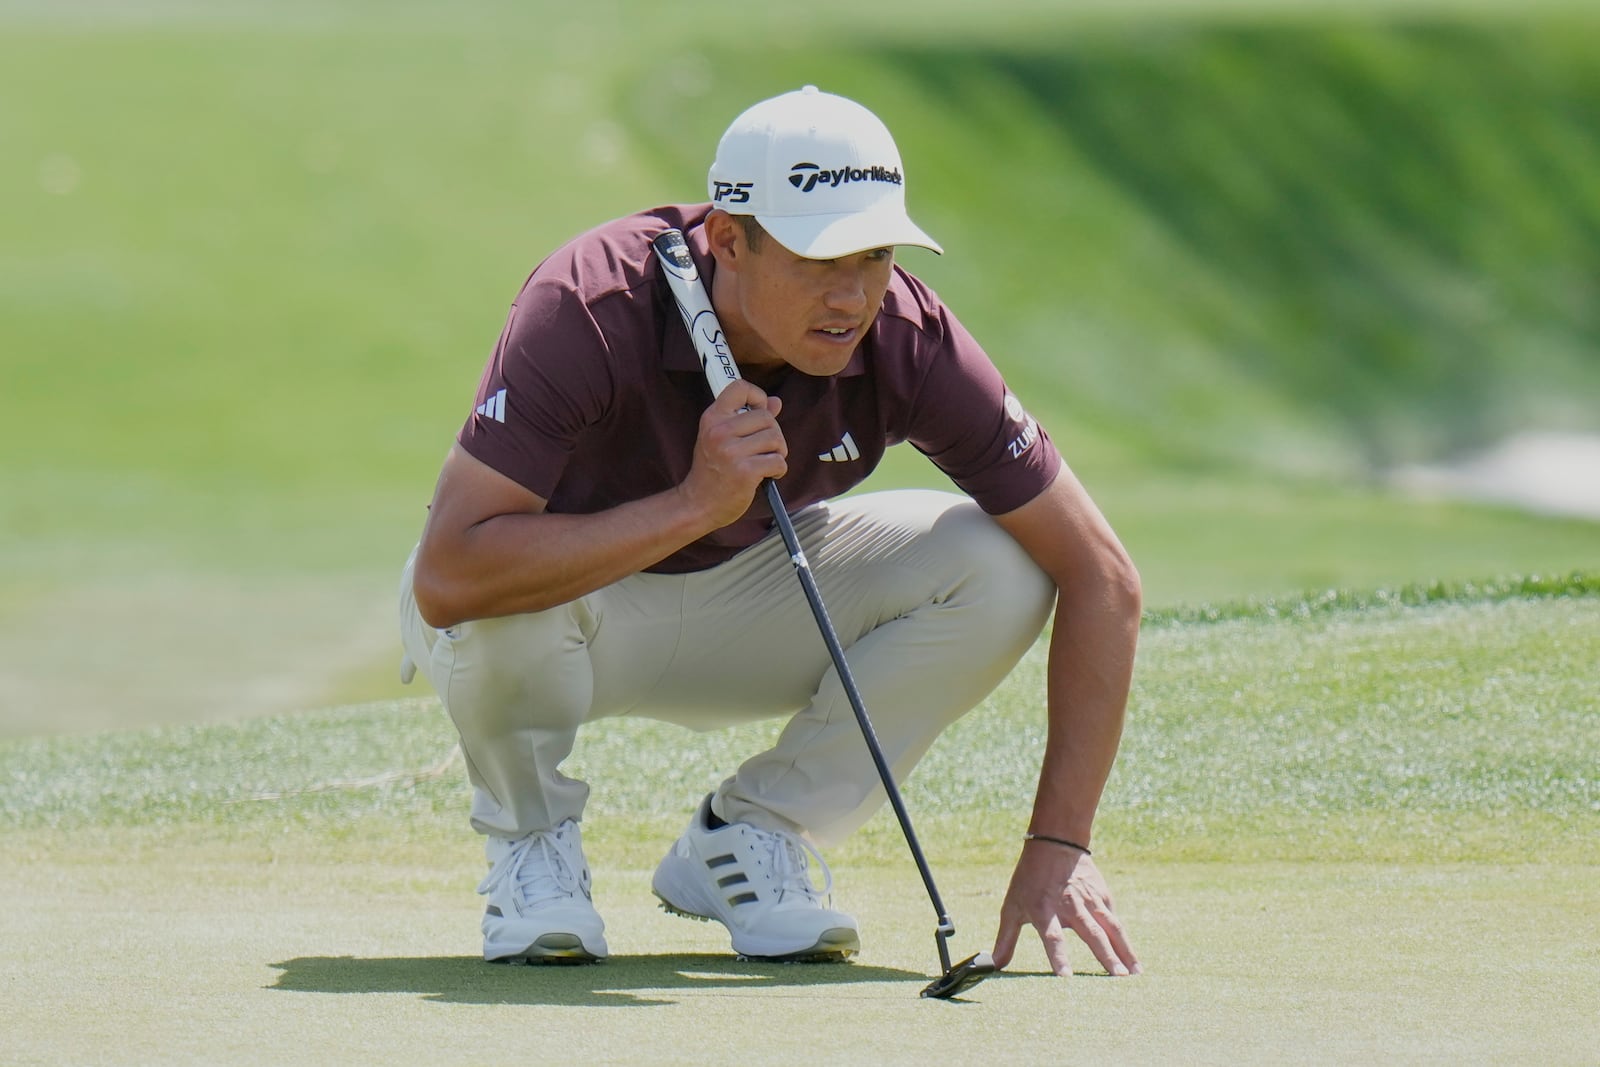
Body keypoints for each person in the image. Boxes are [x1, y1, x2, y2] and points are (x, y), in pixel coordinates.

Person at [398, 85, 1143, 979]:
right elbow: (449, 574)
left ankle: (749, 837)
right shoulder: (591, 302)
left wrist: (1061, 841)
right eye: (818, 256)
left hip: (744, 601)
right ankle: (533, 848)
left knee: (1003, 564)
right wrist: (691, 503)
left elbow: (1105, 575)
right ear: (728, 241)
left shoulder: (902, 332)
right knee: (496, 598)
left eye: (873, 255)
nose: (852, 294)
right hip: (564, 617)